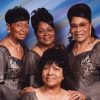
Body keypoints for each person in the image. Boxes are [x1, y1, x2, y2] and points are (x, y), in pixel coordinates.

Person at [21, 45, 86, 100]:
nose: (50, 73)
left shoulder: (72, 97)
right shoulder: (30, 96)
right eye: (46, 68)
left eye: (56, 69)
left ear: (64, 74)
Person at [65, 3, 100, 100]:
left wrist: (85, 94)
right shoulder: (67, 51)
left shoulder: (98, 48)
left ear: (90, 26)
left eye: (82, 25)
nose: (78, 30)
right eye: (74, 26)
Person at [0, 6, 30, 100]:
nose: (24, 29)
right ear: (8, 26)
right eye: (18, 25)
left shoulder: (24, 47)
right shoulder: (1, 51)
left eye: (26, 25)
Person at [21, 8, 56, 88]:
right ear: (36, 34)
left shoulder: (60, 49)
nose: (46, 34)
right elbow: (30, 88)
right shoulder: (31, 57)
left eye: (49, 30)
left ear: (54, 31)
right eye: (41, 31)